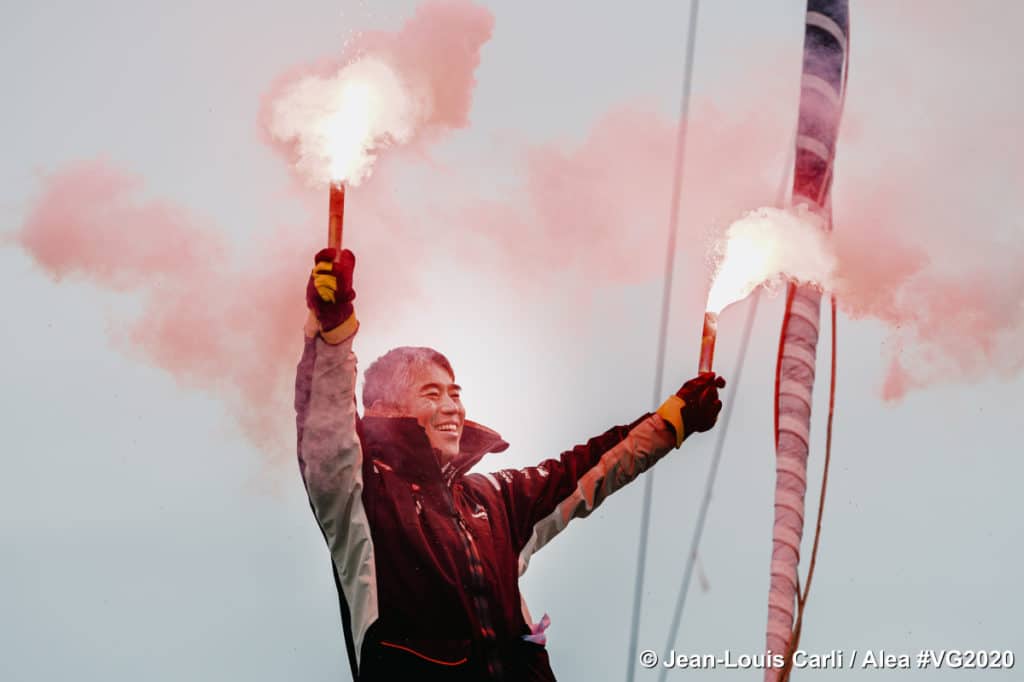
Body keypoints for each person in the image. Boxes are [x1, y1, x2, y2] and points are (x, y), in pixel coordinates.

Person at [295, 248, 726, 681]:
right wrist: (332, 332)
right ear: (386, 410)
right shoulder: (364, 497)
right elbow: (327, 434)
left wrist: (673, 421)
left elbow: (587, 468)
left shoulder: (495, 498)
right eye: (431, 394)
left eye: (455, 393)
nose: (452, 407)